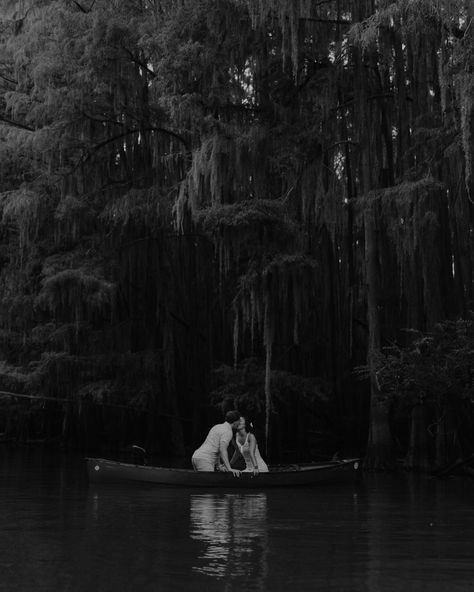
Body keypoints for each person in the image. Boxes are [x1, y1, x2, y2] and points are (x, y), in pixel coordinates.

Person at [192, 410, 242, 476]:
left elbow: (216, 447)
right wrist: (229, 468)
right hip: (205, 460)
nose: (240, 423)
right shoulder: (228, 431)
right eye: (239, 421)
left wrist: (219, 465)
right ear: (235, 421)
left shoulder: (217, 426)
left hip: (196, 457)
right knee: (208, 485)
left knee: (200, 484)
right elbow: (222, 450)